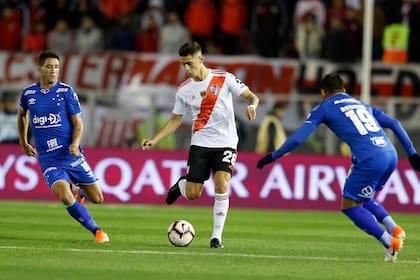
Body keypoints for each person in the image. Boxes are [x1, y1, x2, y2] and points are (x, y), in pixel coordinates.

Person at [257, 73, 420, 262]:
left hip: (369, 158)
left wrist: (274, 155)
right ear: (344, 90)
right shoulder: (358, 103)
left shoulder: (324, 107)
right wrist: (412, 153)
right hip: (390, 154)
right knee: (363, 198)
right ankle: (393, 228)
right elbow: (394, 123)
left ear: (323, 93)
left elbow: (299, 137)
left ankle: (388, 242)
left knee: (349, 205)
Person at [141, 41, 259, 248]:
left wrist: (252, 106)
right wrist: (154, 140)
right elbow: (176, 120)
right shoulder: (184, 91)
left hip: (227, 142)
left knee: (222, 183)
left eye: (189, 63)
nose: (186, 69)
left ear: (201, 59)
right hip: (201, 143)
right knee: (194, 194)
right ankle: (181, 185)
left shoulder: (224, 78)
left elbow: (252, 96)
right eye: (183, 65)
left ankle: (216, 237)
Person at [17, 50, 109, 243]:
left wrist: (75, 143)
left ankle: (80, 191)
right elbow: (22, 115)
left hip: (70, 154)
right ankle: (97, 231)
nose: (53, 71)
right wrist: (23, 140)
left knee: (98, 198)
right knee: (65, 196)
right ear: (40, 68)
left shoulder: (66, 92)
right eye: (49, 67)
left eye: (56, 67)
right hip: (48, 159)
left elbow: (78, 122)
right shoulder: (28, 93)